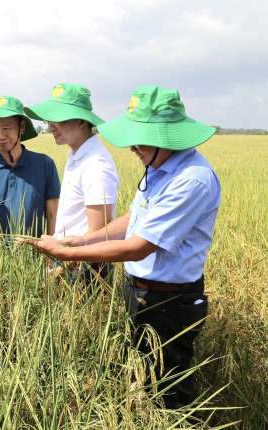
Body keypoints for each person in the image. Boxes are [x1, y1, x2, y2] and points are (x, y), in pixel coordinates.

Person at [21, 86, 221, 410]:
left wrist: (66, 254)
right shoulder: (159, 168)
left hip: (169, 302)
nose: (131, 148)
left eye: (139, 138)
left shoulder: (191, 179)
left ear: (165, 136)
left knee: (168, 395)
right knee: (142, 382)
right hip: (140, 293)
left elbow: (138, 246)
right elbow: (134, 220)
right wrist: (81, 239)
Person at [24, 83, 119, 282]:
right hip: (70, 261)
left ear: (81, 121)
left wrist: (61, 269)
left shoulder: (96, 164)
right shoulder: (77, 155)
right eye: (48, 120)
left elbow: (98, 233)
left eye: (57, 119)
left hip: (85, 267)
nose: (50, 126)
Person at [0, 96, 61, 239]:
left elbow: (52, 214)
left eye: (6, 128)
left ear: (22, 127)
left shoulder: (44, 164)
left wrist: (52, 253)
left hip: (34, 253)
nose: (0, 136)